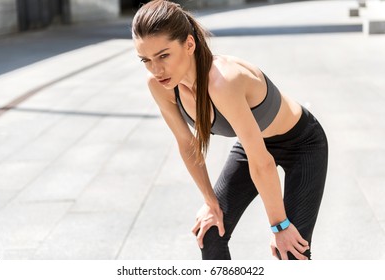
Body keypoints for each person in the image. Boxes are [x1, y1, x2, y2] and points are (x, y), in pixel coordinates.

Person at [131, 0, 328, 260]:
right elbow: (187, 144)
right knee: (210, 232)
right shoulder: (160, 86)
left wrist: (279, 225)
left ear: (189, 44)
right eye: (146, 60)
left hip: (303, 144)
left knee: (291, 251)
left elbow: (263, 164)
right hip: (253, 146)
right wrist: (210, 202)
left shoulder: (223, 80)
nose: (156, 70)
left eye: (164, 56)